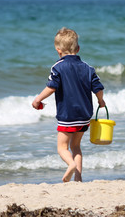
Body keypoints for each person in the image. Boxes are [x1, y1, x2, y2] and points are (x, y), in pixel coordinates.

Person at [32, 27, 105, 182]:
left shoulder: (58, 67)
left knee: (62, 148)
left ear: (58, 51)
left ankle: (71, 165)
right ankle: (78, 177)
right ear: (77, 49)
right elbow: (98, 88)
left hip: (67, 116)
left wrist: (38, 99)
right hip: (84, 115)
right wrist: (101, 101)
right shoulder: (88, 68)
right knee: (76, 146)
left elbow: (51, 87)